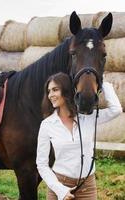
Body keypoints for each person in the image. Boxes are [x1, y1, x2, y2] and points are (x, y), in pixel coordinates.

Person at [36, 72, 122, 200]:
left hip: (87, 187)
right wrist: (60, 189)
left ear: (66, 90)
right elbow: (41, 164)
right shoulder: (47, 124)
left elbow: (116, 110)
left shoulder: (88, 117)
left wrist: (102, 83)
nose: (50, 95)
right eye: (49, 91)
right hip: (59, 186)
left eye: (55, 90)